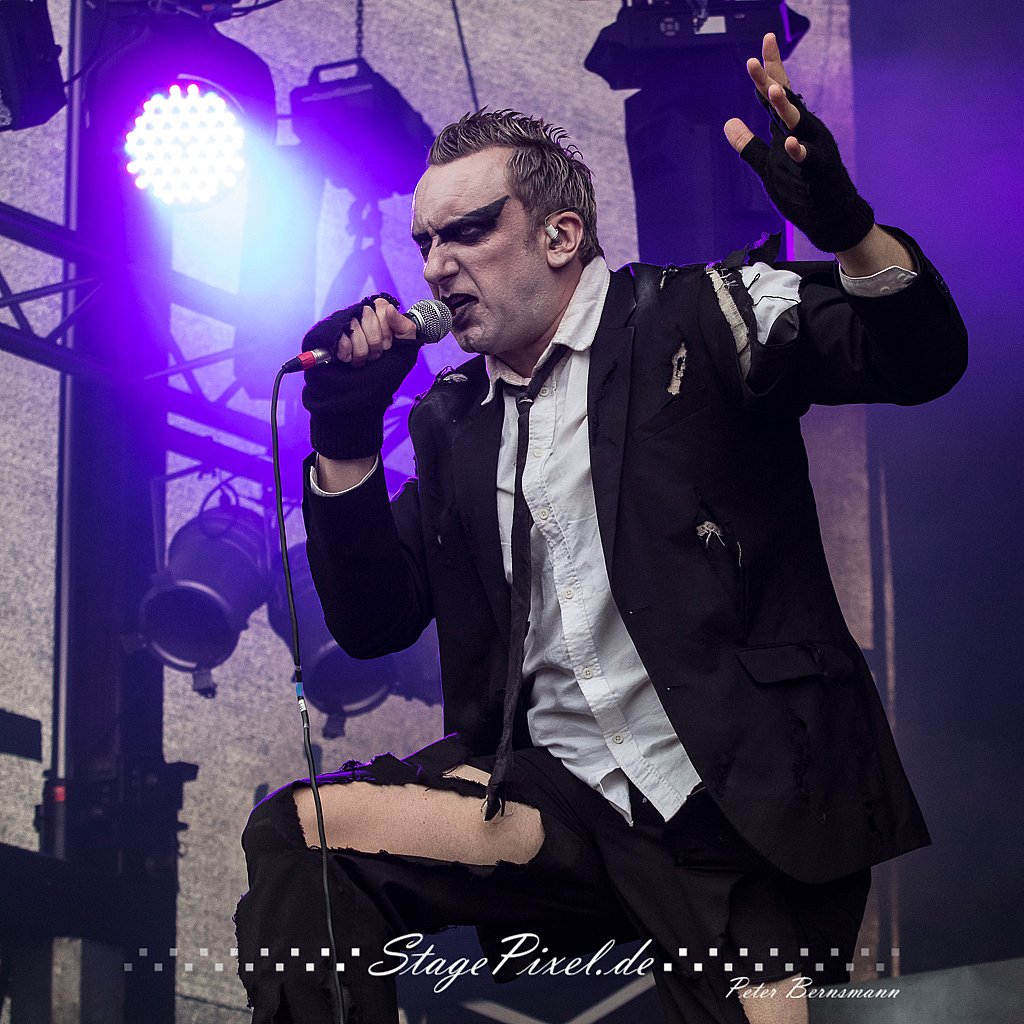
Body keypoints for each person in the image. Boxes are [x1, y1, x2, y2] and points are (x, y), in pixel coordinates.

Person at [236, 34, 966, 1024]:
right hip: (560, 808)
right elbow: (371, 623)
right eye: (425, 242)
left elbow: (921, 358)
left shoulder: (703, 315)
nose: (438, 265)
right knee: (306, 835)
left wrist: (849, 230)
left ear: (560, 235)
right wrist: (345, 434)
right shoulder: (454, 421)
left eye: (468, 231)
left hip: (741, 809)